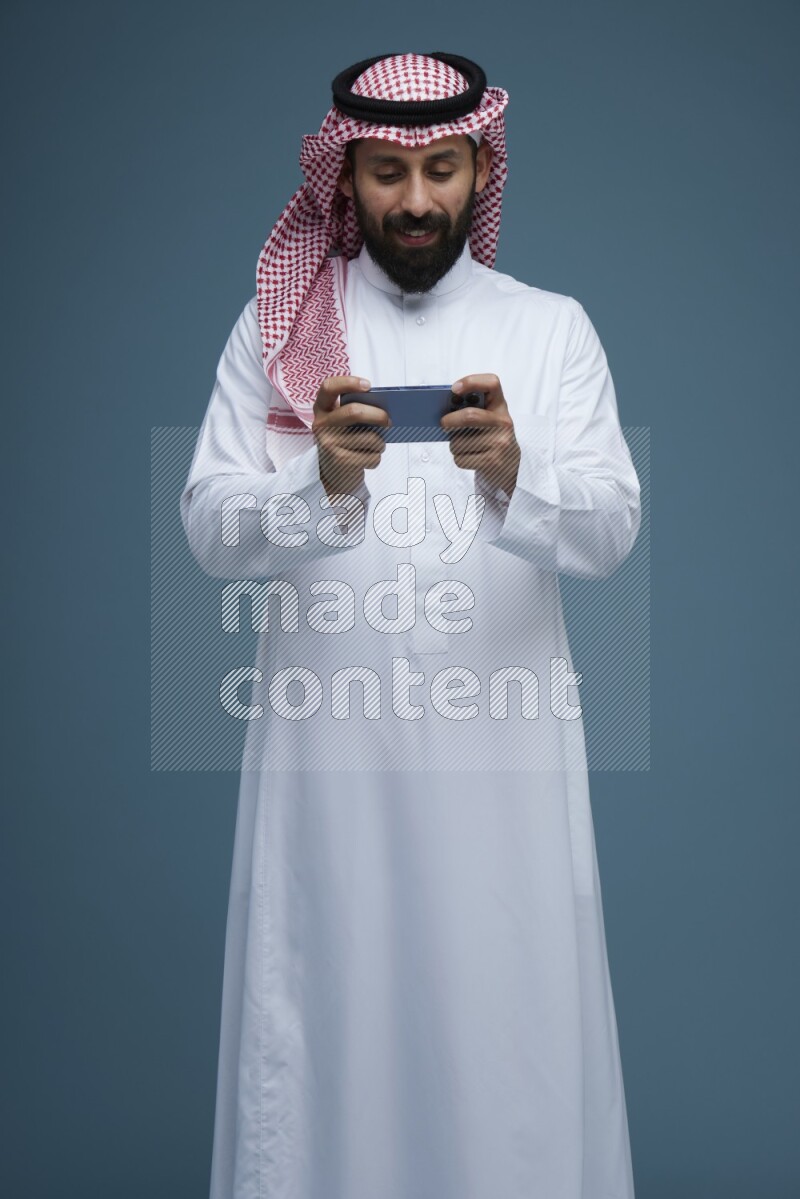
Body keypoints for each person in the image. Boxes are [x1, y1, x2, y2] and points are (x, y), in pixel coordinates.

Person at [181, 51, 641, 1199]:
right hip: (328, 763)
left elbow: (610, 531)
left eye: (441, 168)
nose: (417, 199)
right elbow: (209, 530)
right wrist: (317, 485)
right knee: (329, 1020)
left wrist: (515, 478)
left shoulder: (549, 331)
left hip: (504, 766)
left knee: (506, 1031)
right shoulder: (281, 329)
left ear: (479, 165)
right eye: (388, 172)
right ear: (347, 178)